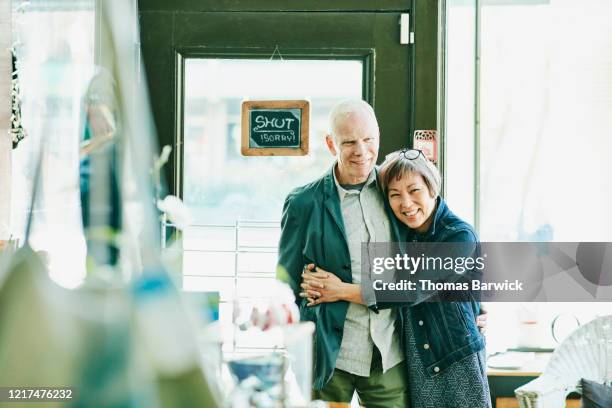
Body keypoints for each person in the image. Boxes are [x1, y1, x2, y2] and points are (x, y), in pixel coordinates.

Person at [277, 99, 487, 406]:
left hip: (389, 353)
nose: (360, 151)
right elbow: (286, 282)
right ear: (330, 143)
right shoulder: (303, 203)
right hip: (329, 356)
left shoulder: (396, 188)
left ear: (378, 137)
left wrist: (472, 304)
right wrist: (293, 345)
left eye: (368, 140)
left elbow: (430, 261)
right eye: (348, 142)